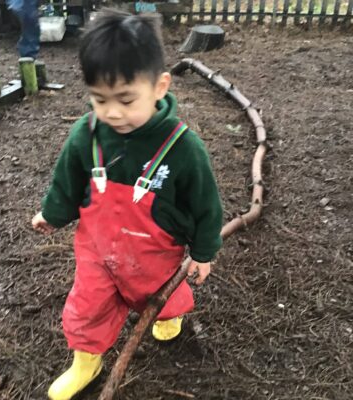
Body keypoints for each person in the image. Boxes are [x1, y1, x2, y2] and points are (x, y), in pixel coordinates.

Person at [32, 9, 223, 400]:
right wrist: (52, 213)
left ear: (159, 86)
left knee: (159, 295)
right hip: (98, 249)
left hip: (154, 251)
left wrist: (204, 253)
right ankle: (86, 362)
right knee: (87, 306)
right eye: (100, 99)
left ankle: (166, 316)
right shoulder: (86, 134)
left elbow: (205, 204)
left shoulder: (183, 148)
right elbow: (67, 180)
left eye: (125, 99)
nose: (112, 112)